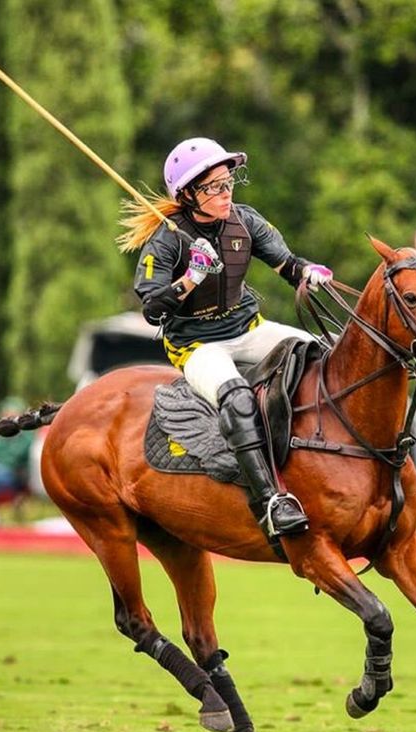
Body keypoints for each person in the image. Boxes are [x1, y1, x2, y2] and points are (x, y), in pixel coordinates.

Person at [118, 137, 333, 540]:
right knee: (235, 396)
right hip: (196, 346)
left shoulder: (245, 220)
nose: (225, 191)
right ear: (187, 195)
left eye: (228, 181)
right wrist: (190, 278)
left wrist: (308, 273)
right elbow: (153, 311)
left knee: (324, 354)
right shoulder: (166, 240)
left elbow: (286, 264)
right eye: (213, 186)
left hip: (247, 329)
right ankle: (269, 501)